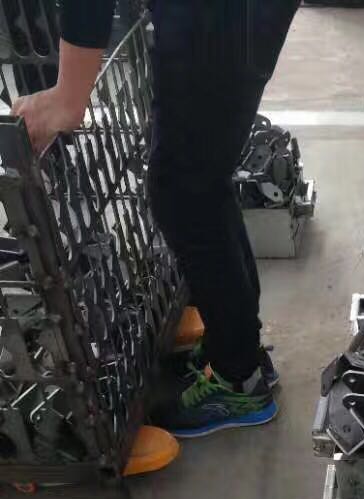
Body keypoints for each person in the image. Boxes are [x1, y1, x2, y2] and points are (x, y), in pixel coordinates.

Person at [12, 0, 299, 439]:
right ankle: (236, 348)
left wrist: (67, 96)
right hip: (229, 17)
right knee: (202, 181)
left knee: (184, 193)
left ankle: (238, 377)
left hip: (216, 19)